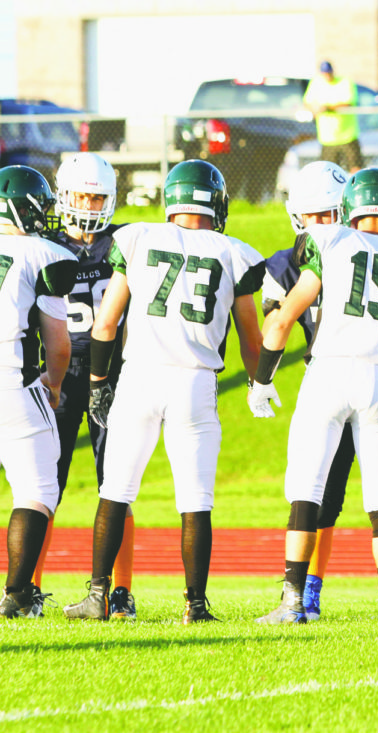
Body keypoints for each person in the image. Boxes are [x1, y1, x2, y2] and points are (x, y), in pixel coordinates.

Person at [63, 159, 265, 624]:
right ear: (216, 204)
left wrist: (98, 384)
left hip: (140, 376)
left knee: (116, 490)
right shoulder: (236, 252)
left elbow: (105, 324)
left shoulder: (137, 238)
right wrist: (260, 384)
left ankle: (98, 595)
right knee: (195, 498)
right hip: (196, 382)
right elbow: (251, 340)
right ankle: (195, 604)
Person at [250, 168, 378, 624]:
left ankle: (293, 602)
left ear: (347, 209)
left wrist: (261, 381)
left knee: (306, 492)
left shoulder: (328, 243)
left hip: (329, 373)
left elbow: (281, 323)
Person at [30, 153, 139, 619]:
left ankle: (121, 591)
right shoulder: (44, 244)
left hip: (111, 374)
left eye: (98, 198)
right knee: (42, 483)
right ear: (63, 195)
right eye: (82, 196)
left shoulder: (125, 242)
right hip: (59, 374)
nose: (90, 205)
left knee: (116, 485)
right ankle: (28, 586)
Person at [0, 166, 77, 619]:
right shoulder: (40, 253)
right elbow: (58, 345)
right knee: (37, 489)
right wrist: (55, 383)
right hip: (13, 381)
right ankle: (18, 597)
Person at [303, 60, 363, 173]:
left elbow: (348, 103)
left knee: (355, 168)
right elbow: (307, 102)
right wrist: (314, 109)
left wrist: (327, 107)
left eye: (328, 72)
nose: (327, 75)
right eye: (324, 73)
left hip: (347, 136)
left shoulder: (345, 82)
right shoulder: (316, 83)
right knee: (329, 171)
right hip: (328, 138)